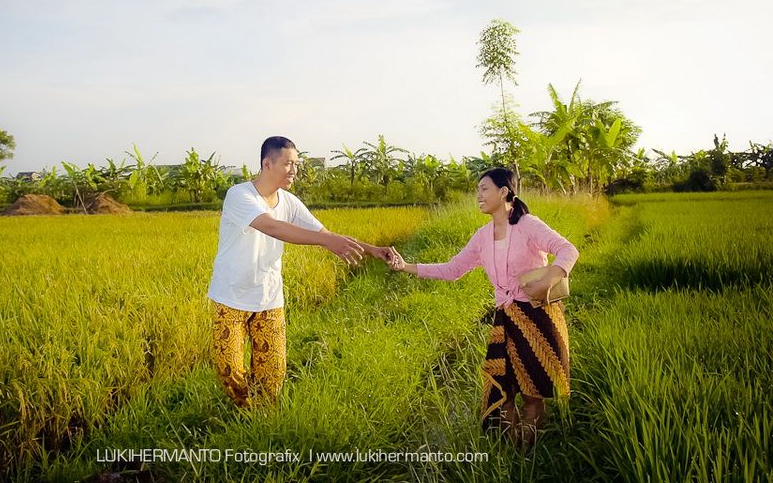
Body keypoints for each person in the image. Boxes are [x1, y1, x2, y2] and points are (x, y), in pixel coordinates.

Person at [387, 167, 578, 448]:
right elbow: (453, 269)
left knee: (532, 395)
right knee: (503, 390)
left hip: (536, 318)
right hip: (506, 320)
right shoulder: (482, 236)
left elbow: (568, 250)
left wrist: (547, 281)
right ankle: (513, 450)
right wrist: (406, 267)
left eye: (484, 188)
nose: (478, 194)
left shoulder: (528, 225)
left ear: (503, 192)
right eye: (477, 189)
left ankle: (529, 457)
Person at [208, 136, 392, 407]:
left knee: (272, 374)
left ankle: (261, 421)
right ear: (267, 164)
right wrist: (326, 241)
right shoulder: (240, 195)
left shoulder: (289, 202)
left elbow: (325, 234)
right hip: (230, 298)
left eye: (296, 164)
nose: (294, 170)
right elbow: (272, 227)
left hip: (269, 299)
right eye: (288, 164)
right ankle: (246, 411)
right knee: (229, 370)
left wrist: (372, 249)